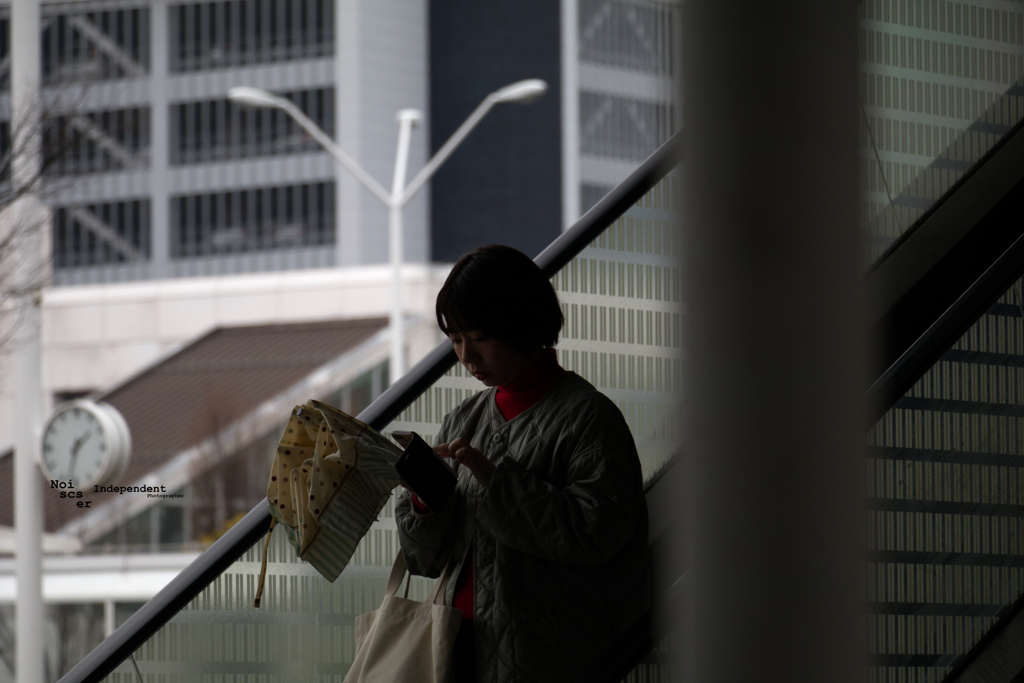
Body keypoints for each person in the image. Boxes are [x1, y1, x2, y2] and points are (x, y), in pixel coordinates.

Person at [395, 245, 650, 683]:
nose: (467, 357)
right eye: (455, 341)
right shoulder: (463, 419)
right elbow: (426, 561)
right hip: (457, 653)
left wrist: (496, 482)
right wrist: (423, 500)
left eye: (479, 338)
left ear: (522, 323)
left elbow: (596, 534)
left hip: (551, 659)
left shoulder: (589, 418)